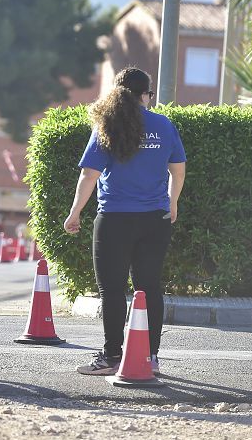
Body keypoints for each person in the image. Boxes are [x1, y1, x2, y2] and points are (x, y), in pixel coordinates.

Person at [63, 67, 186, 376]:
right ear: (145, 95)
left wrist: (75, 212)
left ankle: (112, 357)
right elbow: (178, 169)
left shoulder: (107, 125)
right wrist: (172, 203)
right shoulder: (163, 125)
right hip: (155, 219)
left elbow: (88, 175)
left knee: (113, 290)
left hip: (115, 219)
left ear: (116, 92)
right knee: (149, 287)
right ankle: (150, 357)